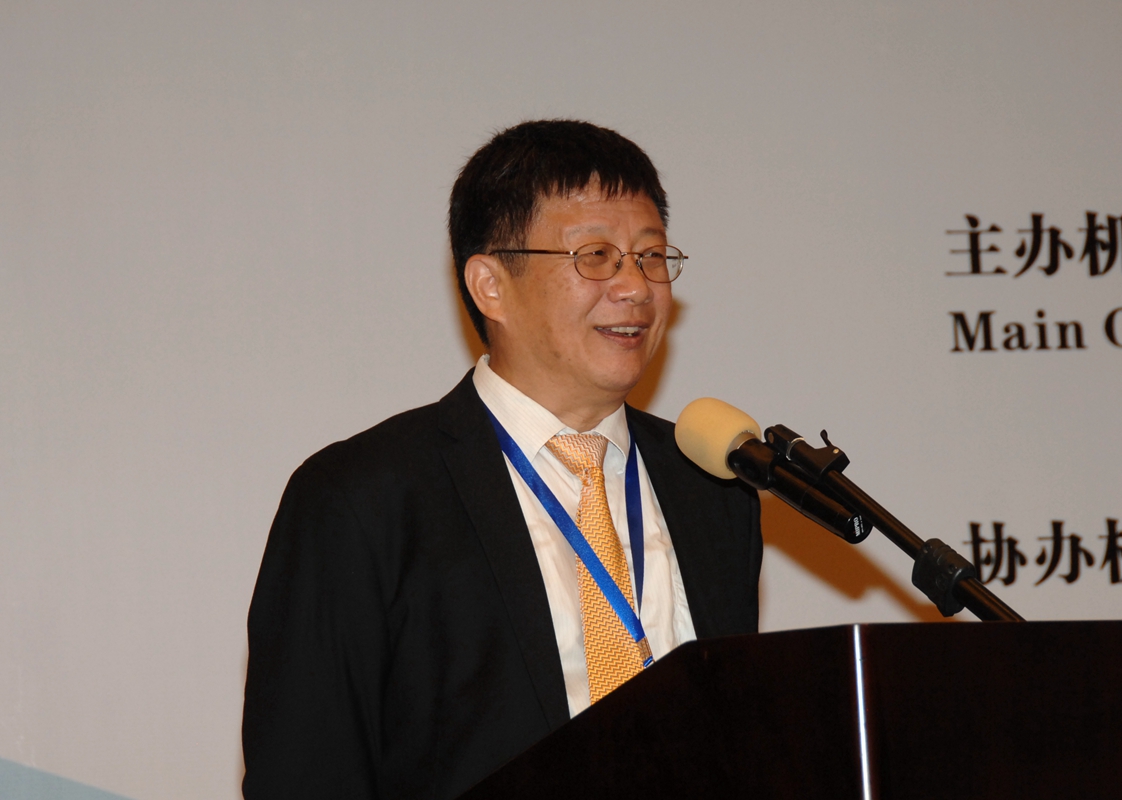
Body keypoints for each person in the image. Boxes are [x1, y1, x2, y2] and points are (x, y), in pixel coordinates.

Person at [241, 119, 762, 800]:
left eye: (651, 256)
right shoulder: (362, 498)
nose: (636, 287)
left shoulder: (713, 489)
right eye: (597, 256)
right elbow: (305, 777)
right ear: (491, 285)